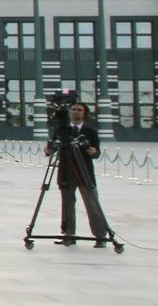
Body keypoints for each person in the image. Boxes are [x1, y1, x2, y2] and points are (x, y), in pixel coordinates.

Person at [46, 99, 113, 245]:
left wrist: (90, 150)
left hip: (84, 171)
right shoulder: (60, 130)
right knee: (67, 204)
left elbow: (96, 153)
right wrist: (49, 148)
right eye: (73, 109)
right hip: (66, 172)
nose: (75, 112)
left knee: (92, 203)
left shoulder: (90, 132)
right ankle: (68, 234)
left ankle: (100, 236)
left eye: (79, 110)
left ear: (84, 113)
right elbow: (50, 150)